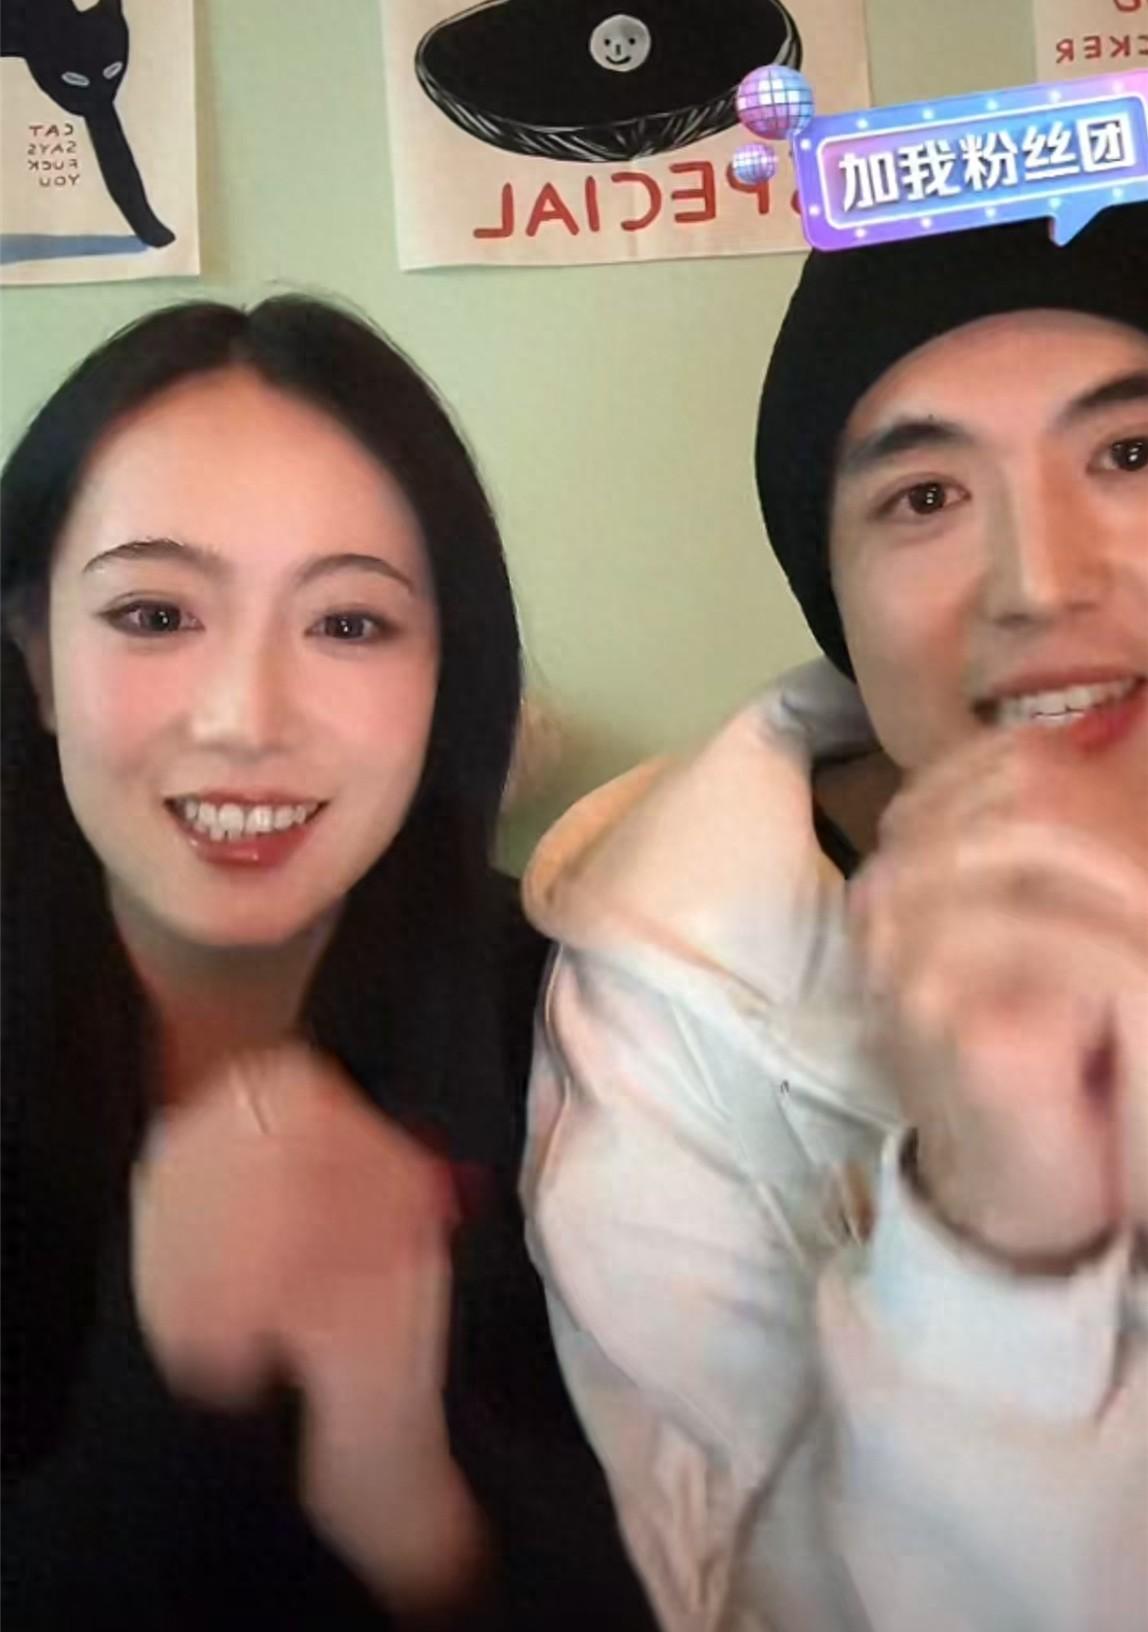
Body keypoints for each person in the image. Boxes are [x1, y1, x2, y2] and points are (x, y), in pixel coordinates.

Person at [522, 202, 1148, 1631]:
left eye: (1131, 454)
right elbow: (733, 1596)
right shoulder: (678, 993)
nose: (1041, 582)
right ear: (835, 596)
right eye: (924, 498)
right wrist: (997, 1255)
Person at [0, 296, 656, 1631]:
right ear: (37, 660)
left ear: (444, 675)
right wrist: (165, 1386)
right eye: (153, 613)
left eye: (349, 625)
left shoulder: (591, 1024)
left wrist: (402, 1488)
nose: (247, 719)